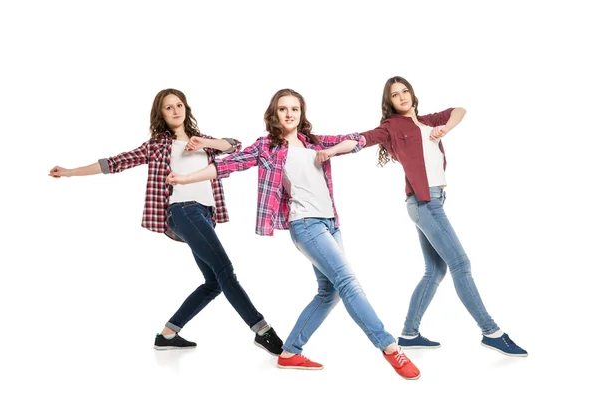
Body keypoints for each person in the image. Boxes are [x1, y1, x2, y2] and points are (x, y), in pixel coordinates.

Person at [167, 89, 421, 379]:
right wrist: (186, 177)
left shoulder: (314, 142)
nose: (289, 114)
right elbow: (226, 165)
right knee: (348, 282)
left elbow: (352, 141)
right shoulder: (267, 147)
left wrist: (357, 141)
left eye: (295, 109)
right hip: (305, 225)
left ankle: (290, 352)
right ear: (274, 114)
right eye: (283, 109)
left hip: (330, 223)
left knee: (329, 293)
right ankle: (389, 347)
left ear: (302, 114)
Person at [48, 88, 283, 355]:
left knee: (214, 281)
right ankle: (262, 331)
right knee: (225, 269)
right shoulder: (158, 144)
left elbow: (234, 145)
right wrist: (69, 173)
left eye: (179, 105)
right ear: (160, 113)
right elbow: (114, 163)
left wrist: (205, 143)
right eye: (168, 107)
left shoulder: (202, 140)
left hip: (205, 214)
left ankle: (168, 334)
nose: (175, 111)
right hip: (183, 211)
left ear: (186, 108)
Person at [358, 76, 527, 357]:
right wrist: (330, 146)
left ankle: (409, 334)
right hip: (425, 203)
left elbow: (459, 110)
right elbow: (365, 138)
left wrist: (445, 128)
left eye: (405, 91)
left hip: (431, 202)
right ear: (388, 102)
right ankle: (492, 332)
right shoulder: (392, 126)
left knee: (435, 270)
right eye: (395, 94)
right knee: (461, 264)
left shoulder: (426, 121)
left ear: (412, 93)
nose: (401, 97)